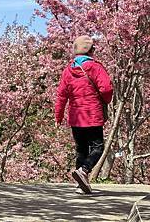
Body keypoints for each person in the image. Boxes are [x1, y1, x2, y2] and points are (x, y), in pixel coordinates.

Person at [55, 35, 113, 194]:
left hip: (76, 117)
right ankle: (84, 170)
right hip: (92, 114)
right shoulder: (95, 67)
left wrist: (58, 116)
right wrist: (105, 100)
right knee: (98, 147)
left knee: (81, 149)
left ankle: (79, 184)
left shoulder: (68, 70)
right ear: (90, 51)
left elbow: (61, 95)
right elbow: (106, 89)